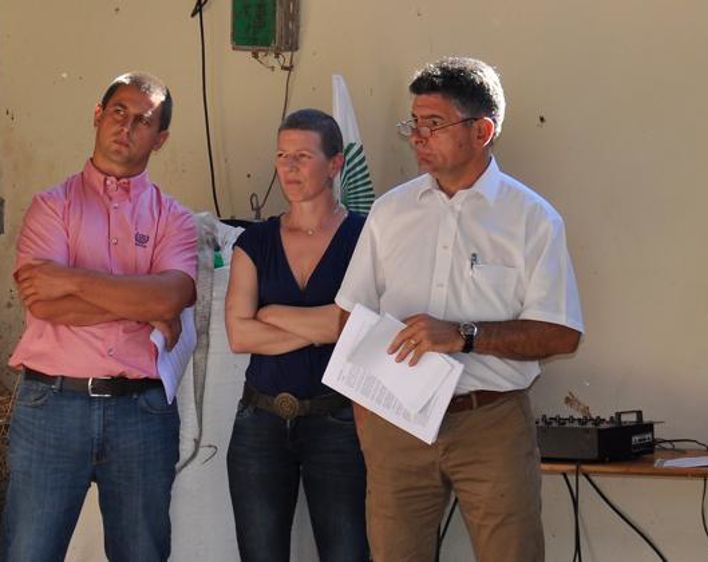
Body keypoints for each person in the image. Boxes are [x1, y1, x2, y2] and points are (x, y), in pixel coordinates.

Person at [335, 56, 584, 562]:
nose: (417, 136)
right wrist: (367, 417)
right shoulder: (389, 211)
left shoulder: (532, 219)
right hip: (395, 424)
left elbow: (561, 335)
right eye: (414, 123)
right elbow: (350, 317)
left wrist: (464, 335)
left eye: (433, 123)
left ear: (483, 130)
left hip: (489, 422)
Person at [2, 72, 197, 562]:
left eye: (143, 121)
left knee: (141, 553)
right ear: (97, 115)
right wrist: (143, 304)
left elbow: (173, 297)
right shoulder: (52, 205)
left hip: (142, 413)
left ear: (162, 138)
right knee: (29, 551)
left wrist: (70, 278)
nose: (126, 127)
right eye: (118, 112)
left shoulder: (174, 218)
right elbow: (41, 302)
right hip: (51, 405)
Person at [224, 108, 368, 561]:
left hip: (340, 421)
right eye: (282, 155)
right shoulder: (255, 242)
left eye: (302, 156)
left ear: (335, 163)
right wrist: (327, 327)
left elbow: (359, 330)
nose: (288, 167)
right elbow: (239, 336)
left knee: (348, 552)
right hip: (260, 422)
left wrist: (272, 312)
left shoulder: (366, 238)